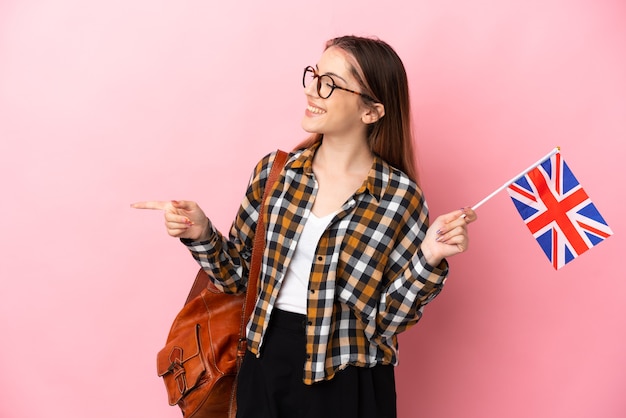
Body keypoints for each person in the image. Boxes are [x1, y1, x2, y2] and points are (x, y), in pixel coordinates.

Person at [132, 35, 476, 418]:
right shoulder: (275, 173)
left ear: (371, 112)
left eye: (330, 83)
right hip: (265, 367)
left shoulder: (399, 197)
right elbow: (239, 281)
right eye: (314, 75)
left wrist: (428, 258)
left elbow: (386, 322)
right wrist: (201, 235)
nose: (313, 90)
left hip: (351, 377)